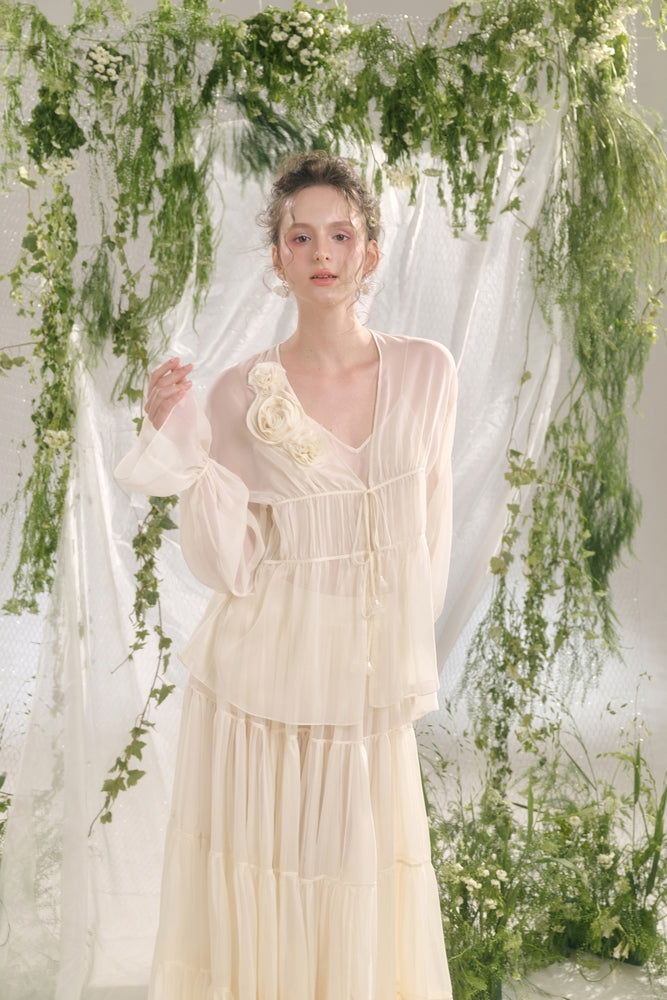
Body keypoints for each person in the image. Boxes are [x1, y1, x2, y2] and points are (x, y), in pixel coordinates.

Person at [115, 151, 457, 1000]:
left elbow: (430, 526)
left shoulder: (427, 371)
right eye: (300, 237)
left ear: (370, 250)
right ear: (277, 257)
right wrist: (173, 435)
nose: (321, 253)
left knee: (359, 881)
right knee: (269, 878)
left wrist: (398, 660)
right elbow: (228, 563)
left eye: (340, 234)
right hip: (262, 680)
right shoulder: (240, 391)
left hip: (364, 683)